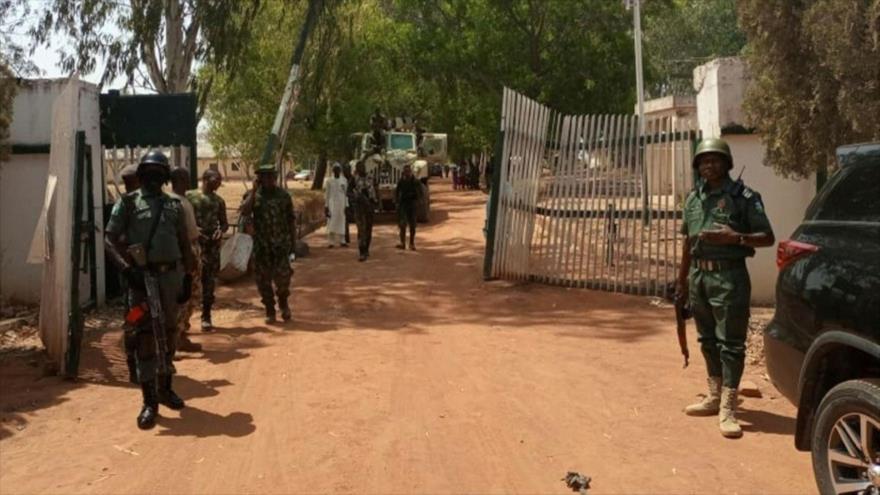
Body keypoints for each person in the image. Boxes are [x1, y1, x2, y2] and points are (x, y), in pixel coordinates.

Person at [675, 137, 774, 439]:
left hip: (729, 278)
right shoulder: (693, 199)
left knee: (730, 343)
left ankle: (729, 406)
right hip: (699, 278)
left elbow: (767, 237)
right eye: (703, 160)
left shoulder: (744, 197)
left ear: (727, 163)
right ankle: (714, 395)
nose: (709, 165)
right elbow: (687, 243)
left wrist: (736, 238)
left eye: (715, 159)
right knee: (706, 339)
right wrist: (681, 283)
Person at [104, 150, 195, 430]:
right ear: (142, 175)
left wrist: (188, 279)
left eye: (159, 173)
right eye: (149, 173)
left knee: (169, 334)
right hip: (141, 281)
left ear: (165, 177)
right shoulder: (128, 204)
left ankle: (166, 388)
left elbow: (184, 244)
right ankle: (149, 401)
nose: (154, 178)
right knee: (143, 337)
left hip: (170, 279)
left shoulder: (174, 206)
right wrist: (127, 270)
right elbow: (108, 240)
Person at [241, 164, 296, 324]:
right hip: (261, 246)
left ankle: (284, 304)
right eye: (264, 176)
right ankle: (270, 310)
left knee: (283, 278)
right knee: (263, 280)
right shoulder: (253, 196)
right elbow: (245, 211)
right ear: (259, 178)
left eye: (271, 176)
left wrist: (293, 243)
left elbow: (291, 220)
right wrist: (253, 191)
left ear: (275, 177)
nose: (268, 179)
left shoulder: (283, 196)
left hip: (280, 245)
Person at [186, 169, 229, 332]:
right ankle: (185, 320)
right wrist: (194, 230)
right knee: (190, 282)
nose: (219, 183)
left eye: (220, 180)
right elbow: (183, 219)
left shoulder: (219, 201)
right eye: (216, 179)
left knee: (209, 282)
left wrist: (221, 231)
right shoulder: (190, 197)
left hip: (212, 247)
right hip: (194, 246)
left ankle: (206, 316)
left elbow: (224, 223)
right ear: (205, 179)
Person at [169, 167, 203, 352]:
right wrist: (188, 257)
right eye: (186, 177)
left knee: (193, 296)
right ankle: (174, 339)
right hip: (186, 252)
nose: (189, 179)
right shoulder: (175, 202)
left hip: (192, 247)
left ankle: (181, 335)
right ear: (179, 179)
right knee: (185, 295)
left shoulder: (184, 200)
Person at [351, 161, 378, 262]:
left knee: (368, 229)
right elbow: (349, 191)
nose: (360, 169)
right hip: (359, 207)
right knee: (361, 229)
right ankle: (362, 252)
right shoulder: (354, 179)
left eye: (362, 167)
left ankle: (366, 249)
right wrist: (355, 197)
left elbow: (376, 189)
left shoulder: (371, 177)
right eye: (359, 168)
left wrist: (377, 202)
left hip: (369, 206)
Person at [395, 164, 421, 250]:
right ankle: (402, 243)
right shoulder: (401, 181)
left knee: (412, 225)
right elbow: (397, 191)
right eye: (405, 171)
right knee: (402, 224)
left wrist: (418, 201)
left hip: (412, 204)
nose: (406, 173)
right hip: (403, 204)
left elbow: (419, 193)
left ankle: (411, 243)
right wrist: (397, 201)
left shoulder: (415, 181)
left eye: (408, 171)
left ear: (410, 171)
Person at [324, 163, 349, 248]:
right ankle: (331, 242)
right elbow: (327, 194)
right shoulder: (329, 181)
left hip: (342, 204)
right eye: (335, 169)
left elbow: (346, 194)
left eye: (338, 169)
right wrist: (326, 206)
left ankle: (342, 241)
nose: (336, 171)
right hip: (332, 204)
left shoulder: (344, 180)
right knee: (331, 222)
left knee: (342, 221)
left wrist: (347, 205)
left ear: (340, 170)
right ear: (333, 170)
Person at [342, 162, 354, 246]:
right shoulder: (341, 179)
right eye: (346, 169)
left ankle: (346, 238)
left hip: (351, 201)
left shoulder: (352, 178)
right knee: (344, 220)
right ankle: (345, 238)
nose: (347, 171)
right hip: (343, 201)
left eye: (348, 169)